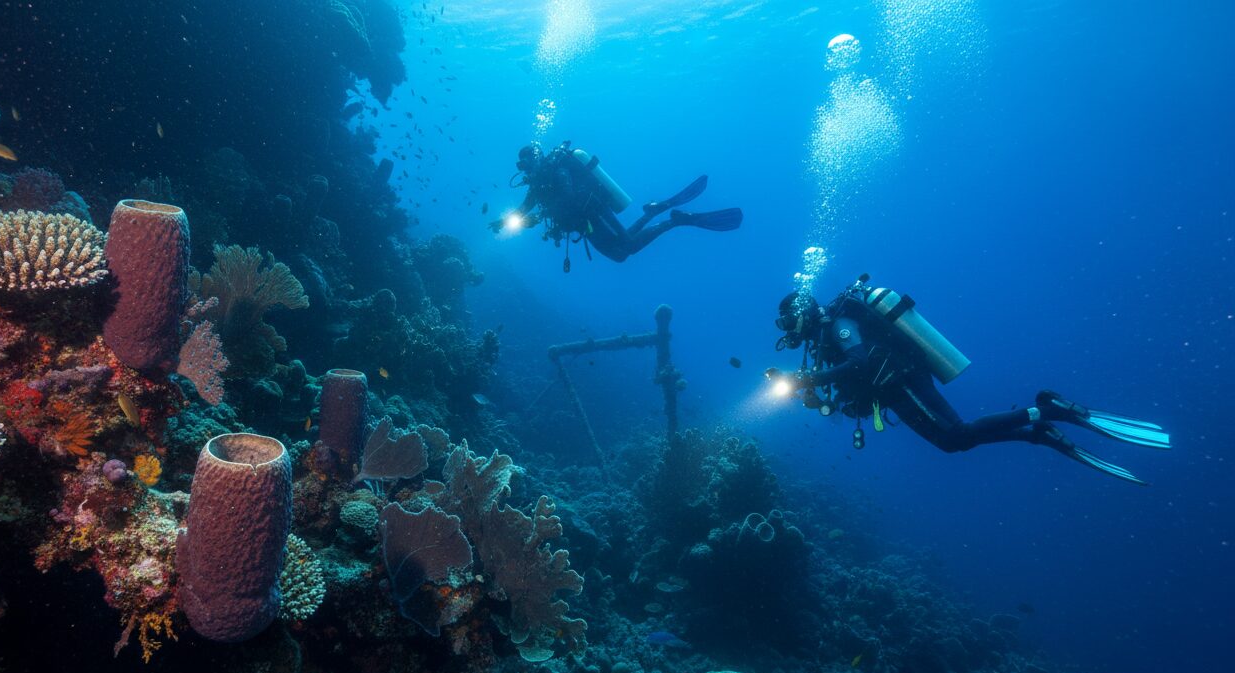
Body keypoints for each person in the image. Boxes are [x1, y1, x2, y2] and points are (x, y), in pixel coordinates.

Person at [766, 275, 1170, 484]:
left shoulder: (839, 324)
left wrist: (808, 377)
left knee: (957, 432)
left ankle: (1049, 409)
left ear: (801, 311)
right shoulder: (821, 342)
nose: (788, 329)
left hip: (901, 380)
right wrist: (817, 398)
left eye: (788, 320)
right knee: (951, 443)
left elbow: (857, 362)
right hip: (891, 393)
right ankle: (1037, 431)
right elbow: (845, 391)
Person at [490, 141, 742, 270]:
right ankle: (654, 212)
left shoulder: (557, 171)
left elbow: (568, 195)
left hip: (593, 213)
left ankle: (673, 220)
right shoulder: (536, 186)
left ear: (537, 159)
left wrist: (545, 212)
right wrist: (504, 221)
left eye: (528, 163)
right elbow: (524, 208)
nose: (527, 169)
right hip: (584, 225)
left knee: (627, 247)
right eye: (523, 166)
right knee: (620, 254)